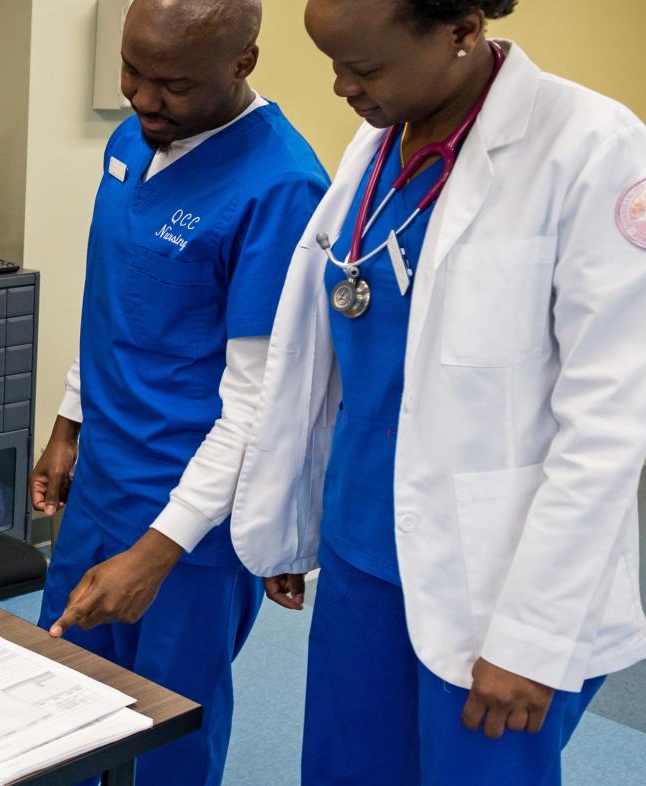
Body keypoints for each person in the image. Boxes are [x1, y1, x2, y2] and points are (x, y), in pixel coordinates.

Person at [234, 0, 646, 782]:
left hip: (496, 580)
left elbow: (609, 427)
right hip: (363, 550)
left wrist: (532, 635)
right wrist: (294, 512)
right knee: (344, 769)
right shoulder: (381, 139)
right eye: (333, 63)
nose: (340, 88)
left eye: (364, 68)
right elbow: (337, 354)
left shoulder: (595, 150)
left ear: (461, 30)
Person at [26, 1, 328, 783]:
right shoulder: (135, 138)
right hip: (102, 481)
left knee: (165, 728)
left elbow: (260, 406)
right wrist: (69, 418)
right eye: (131, 70)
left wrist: (158, 552)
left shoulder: (282, 188)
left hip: (188, 519)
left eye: (171, 84)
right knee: (58, 696)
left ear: (243, 64)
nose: (143, 98)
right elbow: (116, 294)